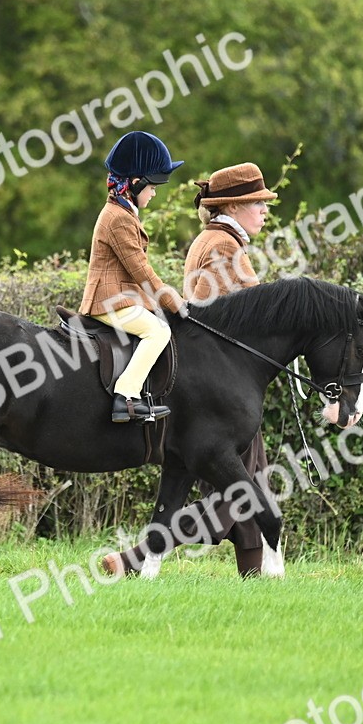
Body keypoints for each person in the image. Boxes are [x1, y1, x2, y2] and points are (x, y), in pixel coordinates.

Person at [103, 162, 278, 577]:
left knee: (250, 487)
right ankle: (136, 558)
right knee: (246, 490)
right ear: (233, 207)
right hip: (220, 389)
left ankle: (255, 577)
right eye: (258, 203)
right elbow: (213, 315)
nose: (265, 211)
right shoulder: (221, 245)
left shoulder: (222, 239)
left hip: (226, 385)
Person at [78, 131, 187, 423]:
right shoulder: (117, 218)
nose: (155, 192)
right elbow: (141, 270)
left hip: (120, 297)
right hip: (107, 301)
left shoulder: (123, 212)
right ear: (136, 183)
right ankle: (125, 397)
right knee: (158, 331)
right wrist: (173, 301)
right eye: (153, 186)